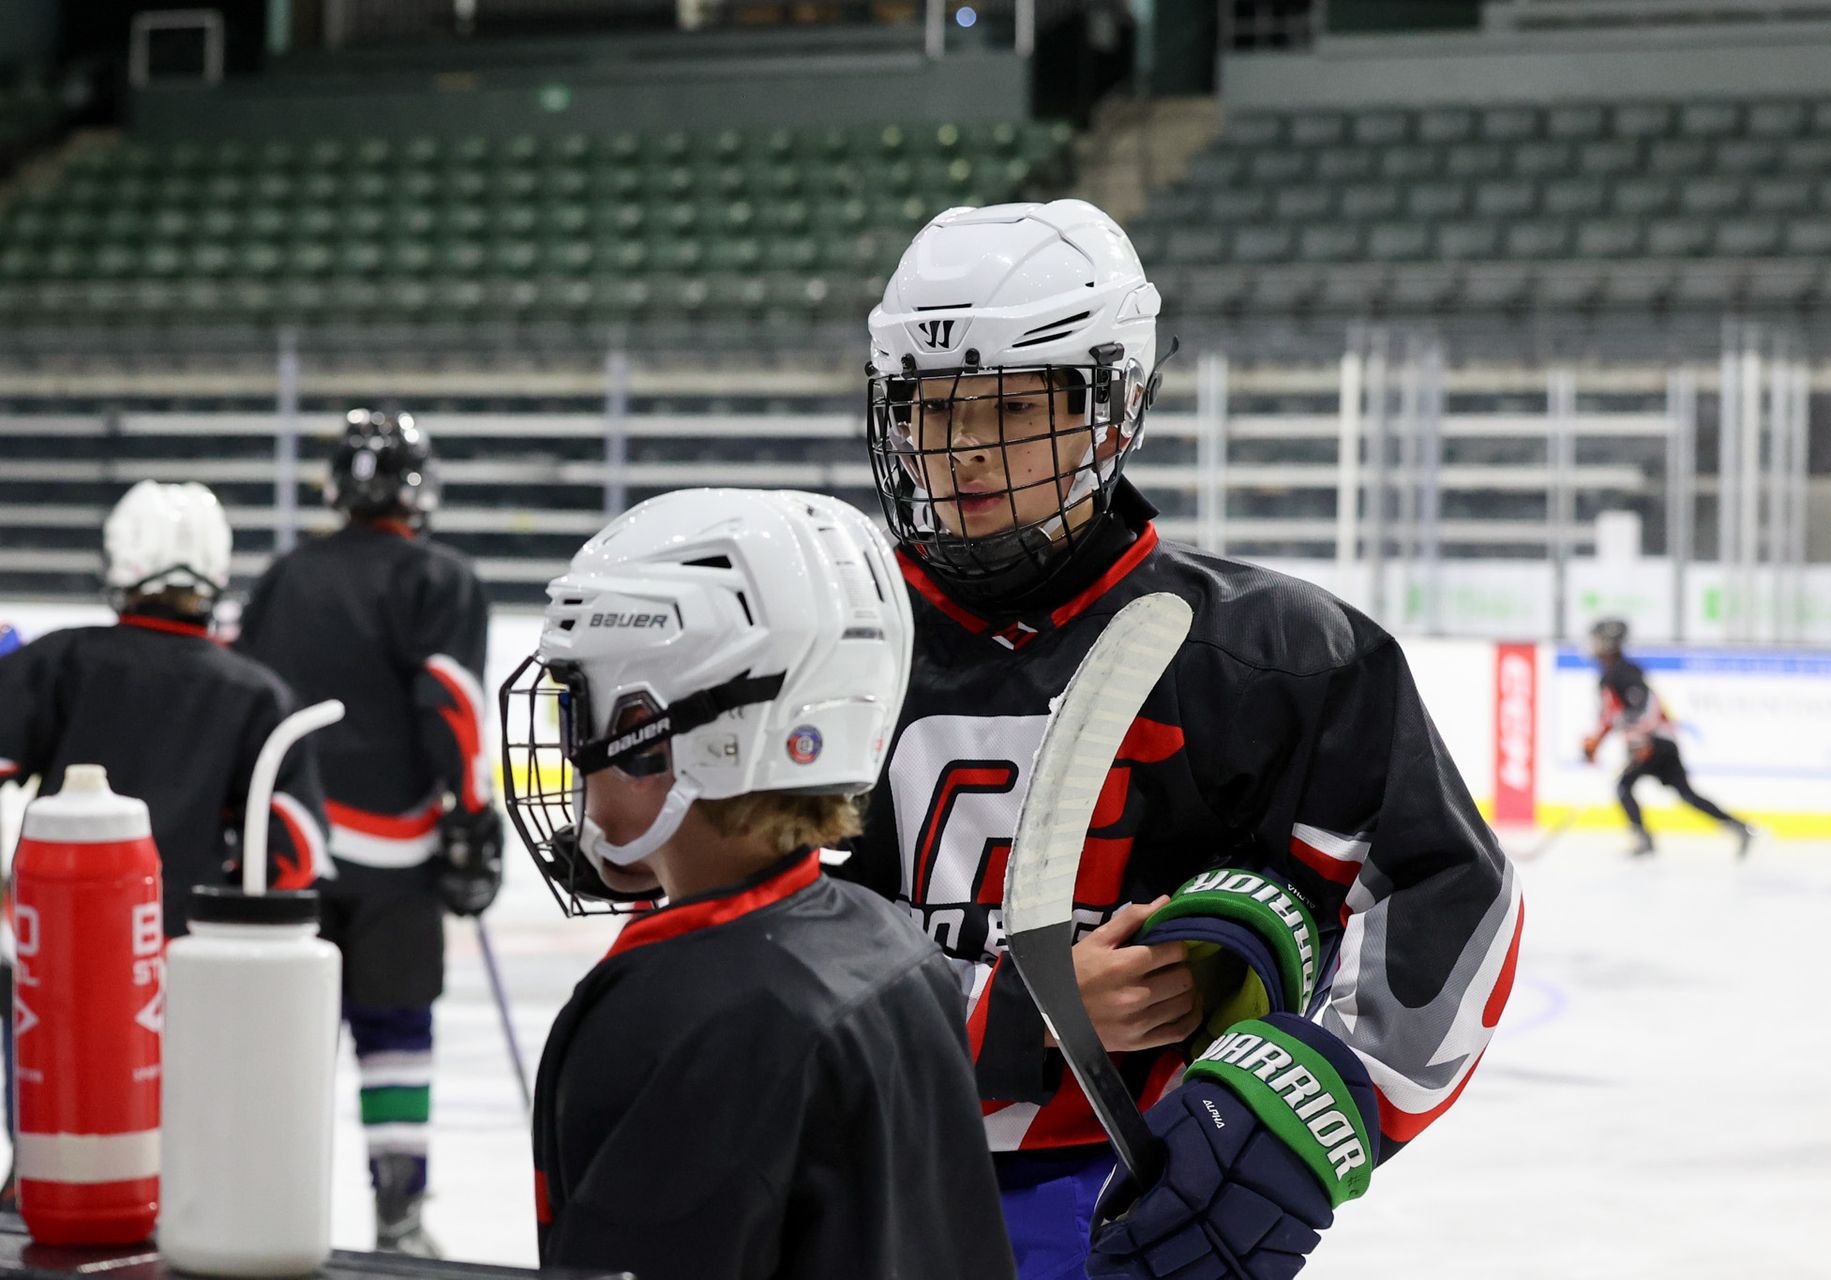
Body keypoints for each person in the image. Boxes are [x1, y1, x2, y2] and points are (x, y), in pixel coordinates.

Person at [845, 199, 1524, 1279]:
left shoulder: (1271, 654)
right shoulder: (834, 635)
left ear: (1110, 411)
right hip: (866, 1177)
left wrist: (1322, 1107)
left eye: (1011, 407)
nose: (963, 450)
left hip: (1129, 1193)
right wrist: (1021, 1013)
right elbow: (769, 923)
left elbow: (1451, 890)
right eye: (931, 410)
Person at [499, 488, 1016, 1279]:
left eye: (581, 708)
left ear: (656, 735)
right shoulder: (888, 940)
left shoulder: (687, 1013)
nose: (573, 747)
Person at [0, 481, 331, 1209]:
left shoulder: (60, 660)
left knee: (51, 1147)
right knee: (178, 1162)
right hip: (185, 968)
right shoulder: (257, 693)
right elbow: (294, 852)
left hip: (50, 954)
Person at [236, 410, 501, 1256]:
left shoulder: (283, 576)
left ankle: (266, 1206)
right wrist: (469, 819)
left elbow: (248, 701)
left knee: (286, 1040)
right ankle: (399, 1219)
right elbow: (452, 706)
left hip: (288, 854)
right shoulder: (440, 577)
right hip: (397, 854)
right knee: (393, 1030)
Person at [1582, 617, 1752, 858]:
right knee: (1686, 794)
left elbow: (1646, 707)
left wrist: (1643, 740)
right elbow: (1612, 718)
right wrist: (1596, 742)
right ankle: (1739, 826)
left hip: (1656, 743)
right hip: (1660, 742)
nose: (1593, 645)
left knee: (1624, 787)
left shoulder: (1622, 674)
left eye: (1598, 640)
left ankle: (1644, 840)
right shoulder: (1615, 675)